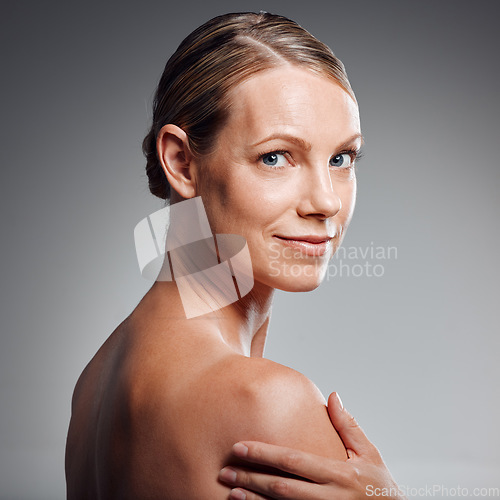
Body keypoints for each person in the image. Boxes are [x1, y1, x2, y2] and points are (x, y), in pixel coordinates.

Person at [65, 11, 406, 499]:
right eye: (276, 157)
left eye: (341, 159)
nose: (327, 201)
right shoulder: (265, 402)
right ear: (182, 163)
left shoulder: (96, 383)